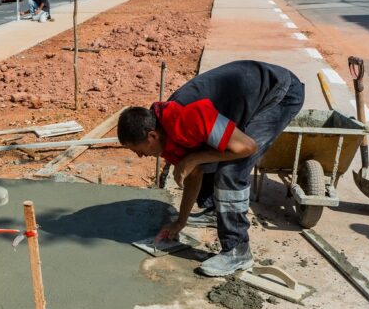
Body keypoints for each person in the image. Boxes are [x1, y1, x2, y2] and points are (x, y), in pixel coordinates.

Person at [117, 60, 304, 277]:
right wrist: (181, 221)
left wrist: (194, 158)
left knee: (230, 170)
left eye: (138, 150)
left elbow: (248, 147)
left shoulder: (186, 118)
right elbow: (193, 174)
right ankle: (216, 211)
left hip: (277, 93)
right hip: (246, 95)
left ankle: (238, 250)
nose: (140, 156)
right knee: (206, 154)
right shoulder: (164, 131)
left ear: (151, 136)